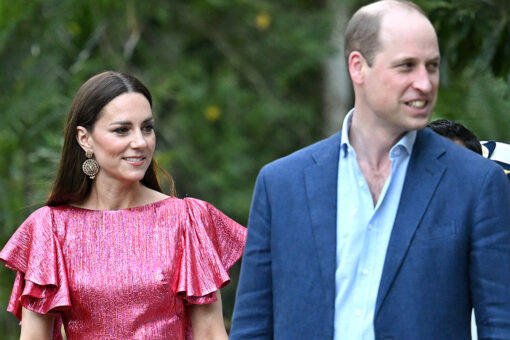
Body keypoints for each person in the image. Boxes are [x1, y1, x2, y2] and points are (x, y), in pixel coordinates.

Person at [230, 1, 510, 339]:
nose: (424, 83)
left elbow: (500, 325)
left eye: (432, 66)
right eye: (407, 66)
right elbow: (252, 328)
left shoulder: (477, 183)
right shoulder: (281, 185)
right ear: (358, 67)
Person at [0, 71, 247, 340]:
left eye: (147, 128)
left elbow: (211, 334)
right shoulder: (50, 228)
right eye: (122, 130)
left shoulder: (187, 220)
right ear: (85, 139)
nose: (140, 142)